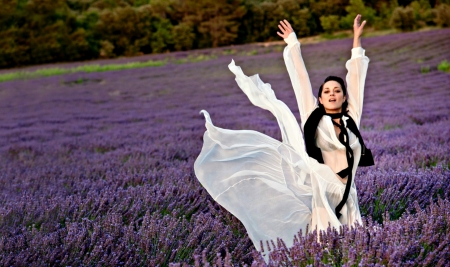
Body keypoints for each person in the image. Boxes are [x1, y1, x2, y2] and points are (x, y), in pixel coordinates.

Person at [194, 14, 372, 255]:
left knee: (356, 251)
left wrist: (356, 43)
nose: (332, 94)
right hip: (322, 195)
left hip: (347, 194)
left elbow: (357, 79)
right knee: (322, 253)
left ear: (343, 97)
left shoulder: (352, 119)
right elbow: (301, 81)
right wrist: (293, 44)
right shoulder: (313, 118)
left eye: (337, 90)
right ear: (320, 98)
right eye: (327, 91)